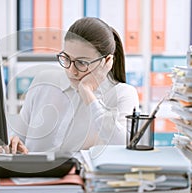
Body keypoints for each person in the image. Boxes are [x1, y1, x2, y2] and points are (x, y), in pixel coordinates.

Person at [7, 17, 139, 154]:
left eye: (82, 63)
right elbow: (18, 135)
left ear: (107, 61)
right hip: (31, 174)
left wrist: (87, 92)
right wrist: (12, 143)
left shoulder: (123, 94)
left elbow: (124, 146)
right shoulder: (44, 80)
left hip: (78, 175)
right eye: (66, 58)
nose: (71, 71)